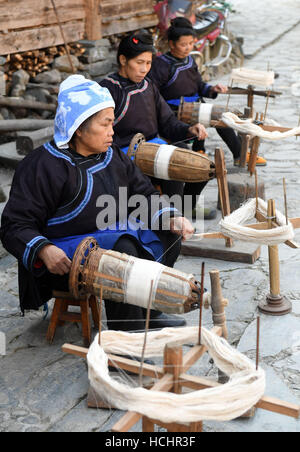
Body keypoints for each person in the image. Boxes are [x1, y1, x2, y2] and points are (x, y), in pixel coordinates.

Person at [0, 75, 194, 332]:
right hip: (65, 252)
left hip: (111, 236)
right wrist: (44, 250)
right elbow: (14, 224)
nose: (112, 132)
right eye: (105, 124)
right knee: (124, 250)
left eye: (112, 123)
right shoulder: (42, 165)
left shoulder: (112, 155)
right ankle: (125, 338)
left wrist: (170, 217)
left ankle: (149, 310)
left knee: (169, 236)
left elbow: (143, 194)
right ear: (78, 128)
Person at [149, 18, 267, 212]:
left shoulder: (189, 61)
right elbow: (154, 96)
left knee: (225, 116)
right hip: (174, 111)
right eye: (183, 44)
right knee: (219, 117)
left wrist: (212, 89)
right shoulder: (161, 65)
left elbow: (199, 86)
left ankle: (239, 155)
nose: (188, 48)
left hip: (195, 106)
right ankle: (186, 202)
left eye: (191, 44)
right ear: (171, 44)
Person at [99, 30, 217, 219]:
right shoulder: (109, 89)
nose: (144, 69)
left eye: (148, 63)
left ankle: (184, 210)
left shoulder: (148, 85)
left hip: (153, 146)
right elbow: (100, 132)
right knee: (170, 165)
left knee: (196, 163)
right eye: (139, 63)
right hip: (123, 153)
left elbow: (168, 122)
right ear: (123, 60)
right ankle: (170, 220)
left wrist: (189, 129)